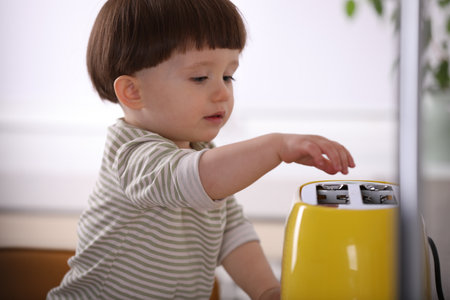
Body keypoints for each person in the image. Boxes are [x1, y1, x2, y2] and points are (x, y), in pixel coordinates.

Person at [47, 0, 355, 299]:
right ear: (133, 92)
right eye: (199, 77)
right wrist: (277, 146)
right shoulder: (130, 154)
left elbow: (230, 232)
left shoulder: (201, 151)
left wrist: (267, 290)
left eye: (228, 75)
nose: (222, 92)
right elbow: (193, 176)